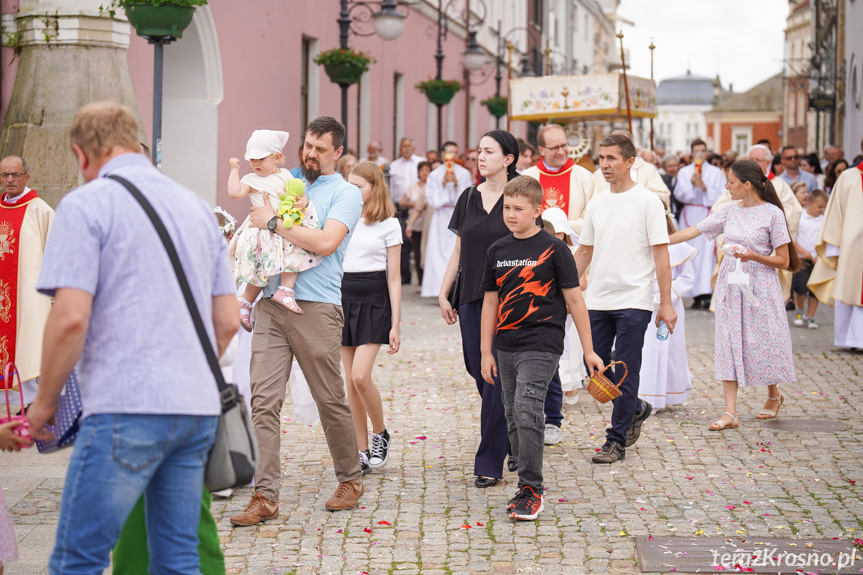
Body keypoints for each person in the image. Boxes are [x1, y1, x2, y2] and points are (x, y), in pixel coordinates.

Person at [27, 101, 238, 572]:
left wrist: (44, 404)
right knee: (178, 557)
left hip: (126, 404)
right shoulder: (196, 206)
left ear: (82, 155)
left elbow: (70, 319)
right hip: (195, 408)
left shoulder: (86, 204)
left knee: (76, 558)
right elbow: (226, 320)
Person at [230, 116, 364, 526]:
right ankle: (264, 494)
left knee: (329, 399)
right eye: (308, 145)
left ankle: (350, 479)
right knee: (263, 402)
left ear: (337, 153)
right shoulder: (282, 179)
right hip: (270, 304)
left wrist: (273, 223)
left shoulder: (346, 193)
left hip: (317, 307)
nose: (311, 153)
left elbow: (324, 243)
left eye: (321, 148)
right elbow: (251, 218)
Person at [479, 176, 602, 520]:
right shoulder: (497, 250)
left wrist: (589, 351)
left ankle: (531, 488)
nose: (511, 214)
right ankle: (522, 462)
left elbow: (575, 301)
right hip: (505, 345)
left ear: (537, 210)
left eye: (519, 209)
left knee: (526, 406)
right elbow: (490, 303)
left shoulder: (555, 249)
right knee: (511, 413)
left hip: (543, 343)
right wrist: (485, 351)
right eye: (506, 207)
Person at [670, 160, 799, 430]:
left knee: (763, 341)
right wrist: (657, 239)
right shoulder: (728, 210)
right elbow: (694, 230)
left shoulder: (772, 214)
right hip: (731, 285)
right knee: (729, 343)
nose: (726, 187)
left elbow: (785, 260)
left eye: (730, 182)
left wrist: (752, 255)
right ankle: (730, 413)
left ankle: (773, 394)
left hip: (761, 286)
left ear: (747, 184)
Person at [573, 133, 676, 464]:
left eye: (611, 158)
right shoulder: (597, 203)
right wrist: (561, 284)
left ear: (630, 162)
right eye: (601, 158)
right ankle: (636, 407)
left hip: (635, 298)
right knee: (597, 369)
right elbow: (585, 250)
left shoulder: (647, 202)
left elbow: (662, 256)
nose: (604, 164)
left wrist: (666, 302)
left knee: (626, 369)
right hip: (598, 298)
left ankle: (615, 441)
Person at [438, 130, 520, 488]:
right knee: (478, 369)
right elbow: (458, 251)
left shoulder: (520, 196)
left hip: (511, 299)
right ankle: (513, 435)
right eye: (479, 152)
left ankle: (489, 460)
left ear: (508, 158)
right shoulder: (468, 197)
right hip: (470, 296)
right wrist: (444, 293)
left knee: (496, 375)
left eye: (489, 152)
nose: (480, 158)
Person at [341, 162, 402, 473]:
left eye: (359, 186)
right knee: (350, 384)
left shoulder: (389, 224)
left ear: (374, 187)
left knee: (361, 377)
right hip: (342, 300)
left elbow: (394, 277)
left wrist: (395, 324)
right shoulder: (341, 219)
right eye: (349, 185)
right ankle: (361, 450)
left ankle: (381, 433)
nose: (353, 191)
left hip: (374, 301)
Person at [230, 130, 322, 321]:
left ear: (277, 157)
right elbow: (234, 193)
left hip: (282, 226)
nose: (255, 163)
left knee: (293, 254)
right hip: (262, 231)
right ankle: (245, 302)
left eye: (261, 159)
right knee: (259, 267)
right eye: (252, 159)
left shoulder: (286, 175)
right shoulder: (250, 180)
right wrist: (234, 170)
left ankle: (285, 290)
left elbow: (297, 193)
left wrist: (302, 202)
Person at [711, 144, 803, 305]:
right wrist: (741, 218)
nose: (754, 162)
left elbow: (792, 210)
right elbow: (719, 208)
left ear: (768, 162)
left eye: (758, 160)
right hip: (740, 251)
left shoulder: (779, 184)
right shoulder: (738, 182)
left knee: (762, 305)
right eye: (751, 159)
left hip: (764, 250)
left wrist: (761, 221)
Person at [0, 155, 53, 404]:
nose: (9, 180)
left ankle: (27, 404)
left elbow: (57, 251)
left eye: (15, 175)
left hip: (28, 296)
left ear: (26, 177)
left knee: (28, 345)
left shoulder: (40, 210)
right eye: (4, 175)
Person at [637, 215, 697, 410]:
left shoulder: (678, 248)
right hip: (644, 303)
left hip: (670, 304)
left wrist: (667, 294)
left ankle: (664, 395)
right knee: (645, 350)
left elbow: (687, 278)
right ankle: (644, 397)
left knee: (667, 349)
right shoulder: (641, 248)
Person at [807, 142, 863, 349]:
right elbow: (836, 215)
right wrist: (835, 248)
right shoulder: (848, 177)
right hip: (853, 247)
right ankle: (851, 340)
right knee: (851, 290)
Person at [540, 207, 587, 406]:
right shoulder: (537, 251)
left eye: (559, 232)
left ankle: (570, 384)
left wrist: (565, 284)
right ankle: (551, 388)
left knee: (571, 347)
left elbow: (582, 282)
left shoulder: (570, 252)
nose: (556, 236)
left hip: (567, 308)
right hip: (547, 308)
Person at [673, 139, 726, 310]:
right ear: (691, 153)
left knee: (707, 254)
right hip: (690, 214)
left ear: (707, 152)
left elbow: (720, 196)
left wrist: (704, 188)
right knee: (689, 252)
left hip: (707, 213)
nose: (699, 154)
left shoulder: (716, 172)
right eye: (696, 151)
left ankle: (706, 292)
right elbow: (679, 194)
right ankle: (693, 292)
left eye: (702, 151)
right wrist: (690, 185)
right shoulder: (684, 172)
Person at [421, 141, 473, 298]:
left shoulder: (463, 173)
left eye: (455, 151)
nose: (452, 155)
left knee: (455, 251)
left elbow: (468, 198)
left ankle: (454, 289)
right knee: (437, 253)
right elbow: (432, 200)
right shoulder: (434, 174)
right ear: (443, 154)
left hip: (457, 215)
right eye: (450, 151)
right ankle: (437, 290)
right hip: (440, 217)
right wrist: (443, 185)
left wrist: (457, 185)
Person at [521, 124, 595, 232]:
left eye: (564, 145)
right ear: (541, 150)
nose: (561, 152)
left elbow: (593, 217)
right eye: (555, 148)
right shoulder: (526, 178)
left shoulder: (585, 178)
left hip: (572, 247)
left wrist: (562, 230)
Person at [591, 131, 671, 208]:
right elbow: (591, 202)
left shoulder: (648, 169)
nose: (605, 165)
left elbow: (662, 196)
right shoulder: (598, 174)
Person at [388, 138, 425, 285]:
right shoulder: (394, 165)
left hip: (421, 207)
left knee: (419, 242)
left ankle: (422, 277)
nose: (407, 149)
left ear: (413, 147)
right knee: (401, 241)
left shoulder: (420, 162)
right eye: (404, 146)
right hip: (401, 207)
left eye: (409, 146)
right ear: (400, 149)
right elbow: (390, 187)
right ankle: (404, 275)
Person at [791, 189, 827, 330]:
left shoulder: (824, 220)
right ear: (810, 203)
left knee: (814, 289)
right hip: (802, 258)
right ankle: (799, 310)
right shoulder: (800, 218)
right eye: (819, 207)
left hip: (817, 260)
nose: (822, 210)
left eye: (824, 207)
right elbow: (793, 237)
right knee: (800, 287)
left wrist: (820, 255)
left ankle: (810, 316)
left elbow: (826, 240)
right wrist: (802, 251)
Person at [405, 161, 432, 289]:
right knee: (418, 253)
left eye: (428, 170)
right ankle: (422, 282)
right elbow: (403, 203)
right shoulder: (413, 187)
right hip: (417, 225)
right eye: (422, 170)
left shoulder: (433, 186)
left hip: (430, 225)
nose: (425, 173)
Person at [661, 155, 682, 222]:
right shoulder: (660, 180)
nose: (672, 169)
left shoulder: (682, 179)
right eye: (669, 166)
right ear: (664, 168)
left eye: (674, 166)